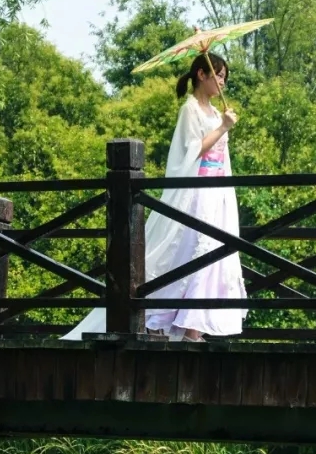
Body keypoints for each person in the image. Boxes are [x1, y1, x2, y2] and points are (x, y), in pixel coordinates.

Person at [61, 52, 247, 342]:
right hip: (197, 193)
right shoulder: (190, 110)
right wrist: (222, 127)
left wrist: (223, 125)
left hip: (217, 192)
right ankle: (160, 320)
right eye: (219, 75)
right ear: (202, 75)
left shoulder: (215, 112)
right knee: (190, 252)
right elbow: (191, 150)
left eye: (224, 78)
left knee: (213, 255)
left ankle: (194, 328)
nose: (222, 82)